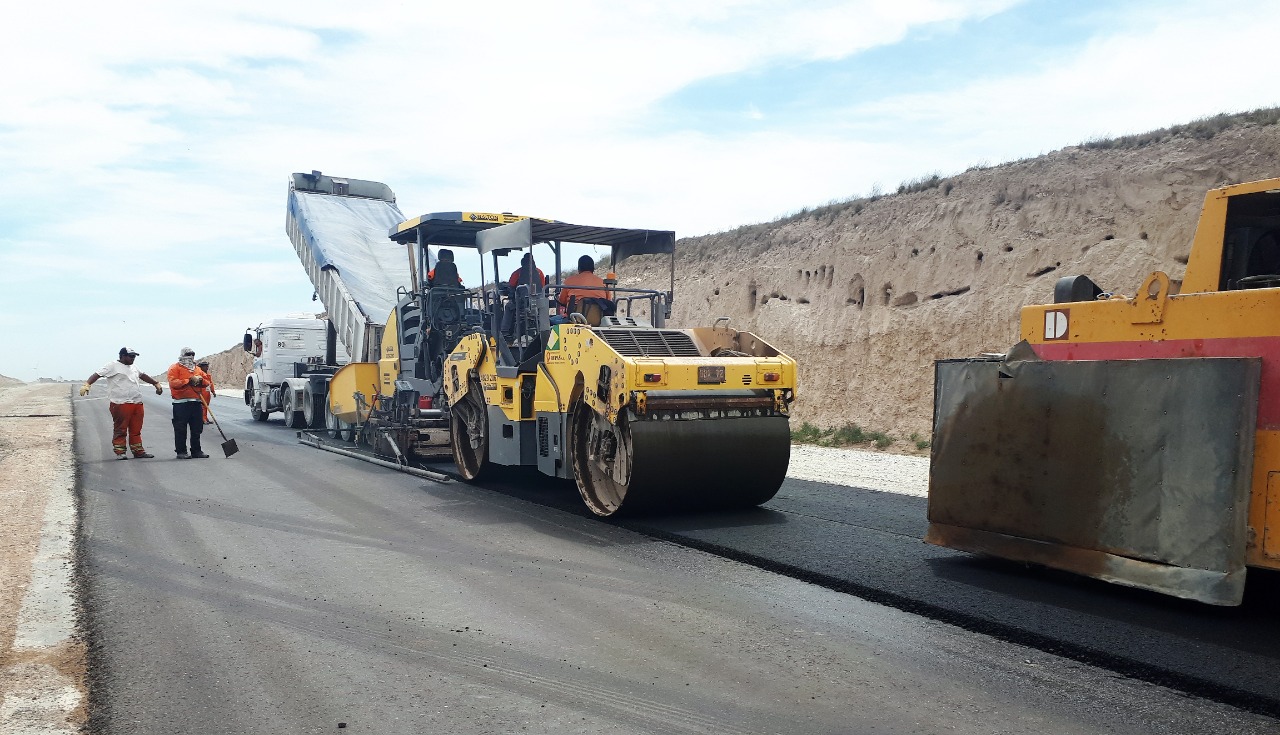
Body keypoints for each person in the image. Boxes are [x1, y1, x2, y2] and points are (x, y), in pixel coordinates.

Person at [80, 347, 163, 460]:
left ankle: (138, 451)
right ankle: (120, 451)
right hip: (120, 403)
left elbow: (142, 375)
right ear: (122, 356)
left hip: (136, 402)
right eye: (131, 356)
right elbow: (97, 374)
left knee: (136, 429)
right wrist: (87, 384)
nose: (133, 358)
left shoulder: (133, 367)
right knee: (121, 428)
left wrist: (155, 383)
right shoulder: (112, 365)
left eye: (134, 356)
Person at [168, 347, 209, 459]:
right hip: (180, 404)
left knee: (197, 428)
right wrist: (188, 381)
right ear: (182, 355)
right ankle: (181, 452)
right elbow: (173, 383)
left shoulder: (197, 369)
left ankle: (196, 451)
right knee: (180, 429)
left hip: (196, 402)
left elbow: (206, 382)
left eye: (192, 354)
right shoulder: (175, 368)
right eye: (188, 354)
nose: (190, 357)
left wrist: (201, 380)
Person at [196, 360, 215, 424]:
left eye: (207, 366)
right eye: (206, 366)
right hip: (202, 392)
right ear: (202, 367)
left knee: (206, 406)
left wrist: (213, 391)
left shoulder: (207, 375)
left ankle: (205, 418)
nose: (207, 367)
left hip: (207, 393)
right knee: (203, 406)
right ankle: (203, 419)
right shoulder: (200, 374)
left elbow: (211, 384)